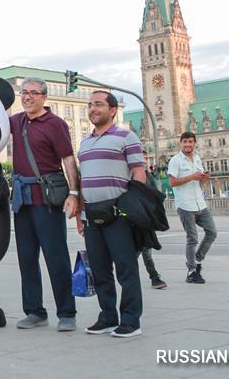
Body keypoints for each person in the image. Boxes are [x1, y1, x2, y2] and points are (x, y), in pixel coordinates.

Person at [9, 78, 79, 332]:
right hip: (22, 201)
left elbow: (68, 159)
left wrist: (74, 193)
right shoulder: (15, 121)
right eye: (24, 93)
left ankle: (67, 312)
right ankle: (35, 311)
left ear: (44, 97)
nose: (27, 97)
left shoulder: (55, 124)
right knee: (27, 259)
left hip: (47, 200)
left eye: (33, 93)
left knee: (56, 257)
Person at [76, 91, 146, 338]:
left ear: (112, 110)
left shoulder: (126, 136)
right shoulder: (84, 143)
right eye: (90, 105)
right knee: (100, 269)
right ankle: (107, 317)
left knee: (126, 268)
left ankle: (131, 320)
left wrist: (133, 207)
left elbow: (138, 172)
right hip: (92, 215)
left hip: (119, 214)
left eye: (98, 104)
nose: (92, 108)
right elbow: (84, 178)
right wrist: (80, 215)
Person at [168, 131, 217, 285]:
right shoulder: (175, 160)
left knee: (212, 232)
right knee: (192, 238)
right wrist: (192, 177)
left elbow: (198, 181)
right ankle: (191, 271)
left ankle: (197, 260)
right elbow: (172, 182)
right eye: (185, 142)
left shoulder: (197, 159)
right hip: (185, 205)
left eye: (190, 142)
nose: (188, 144)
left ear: (194, 143)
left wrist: (203, 178)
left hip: (200, 203)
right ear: (180, 143)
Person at [140, 157, 167, 290]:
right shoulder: (128, 173)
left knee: (146, 249)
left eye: (145, 157)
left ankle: (154, 277)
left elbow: (155, 193)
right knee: (138, 250)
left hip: (147, 217)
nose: (144, 159)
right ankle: (153, 277)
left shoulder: (148, 176)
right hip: (134, 216)